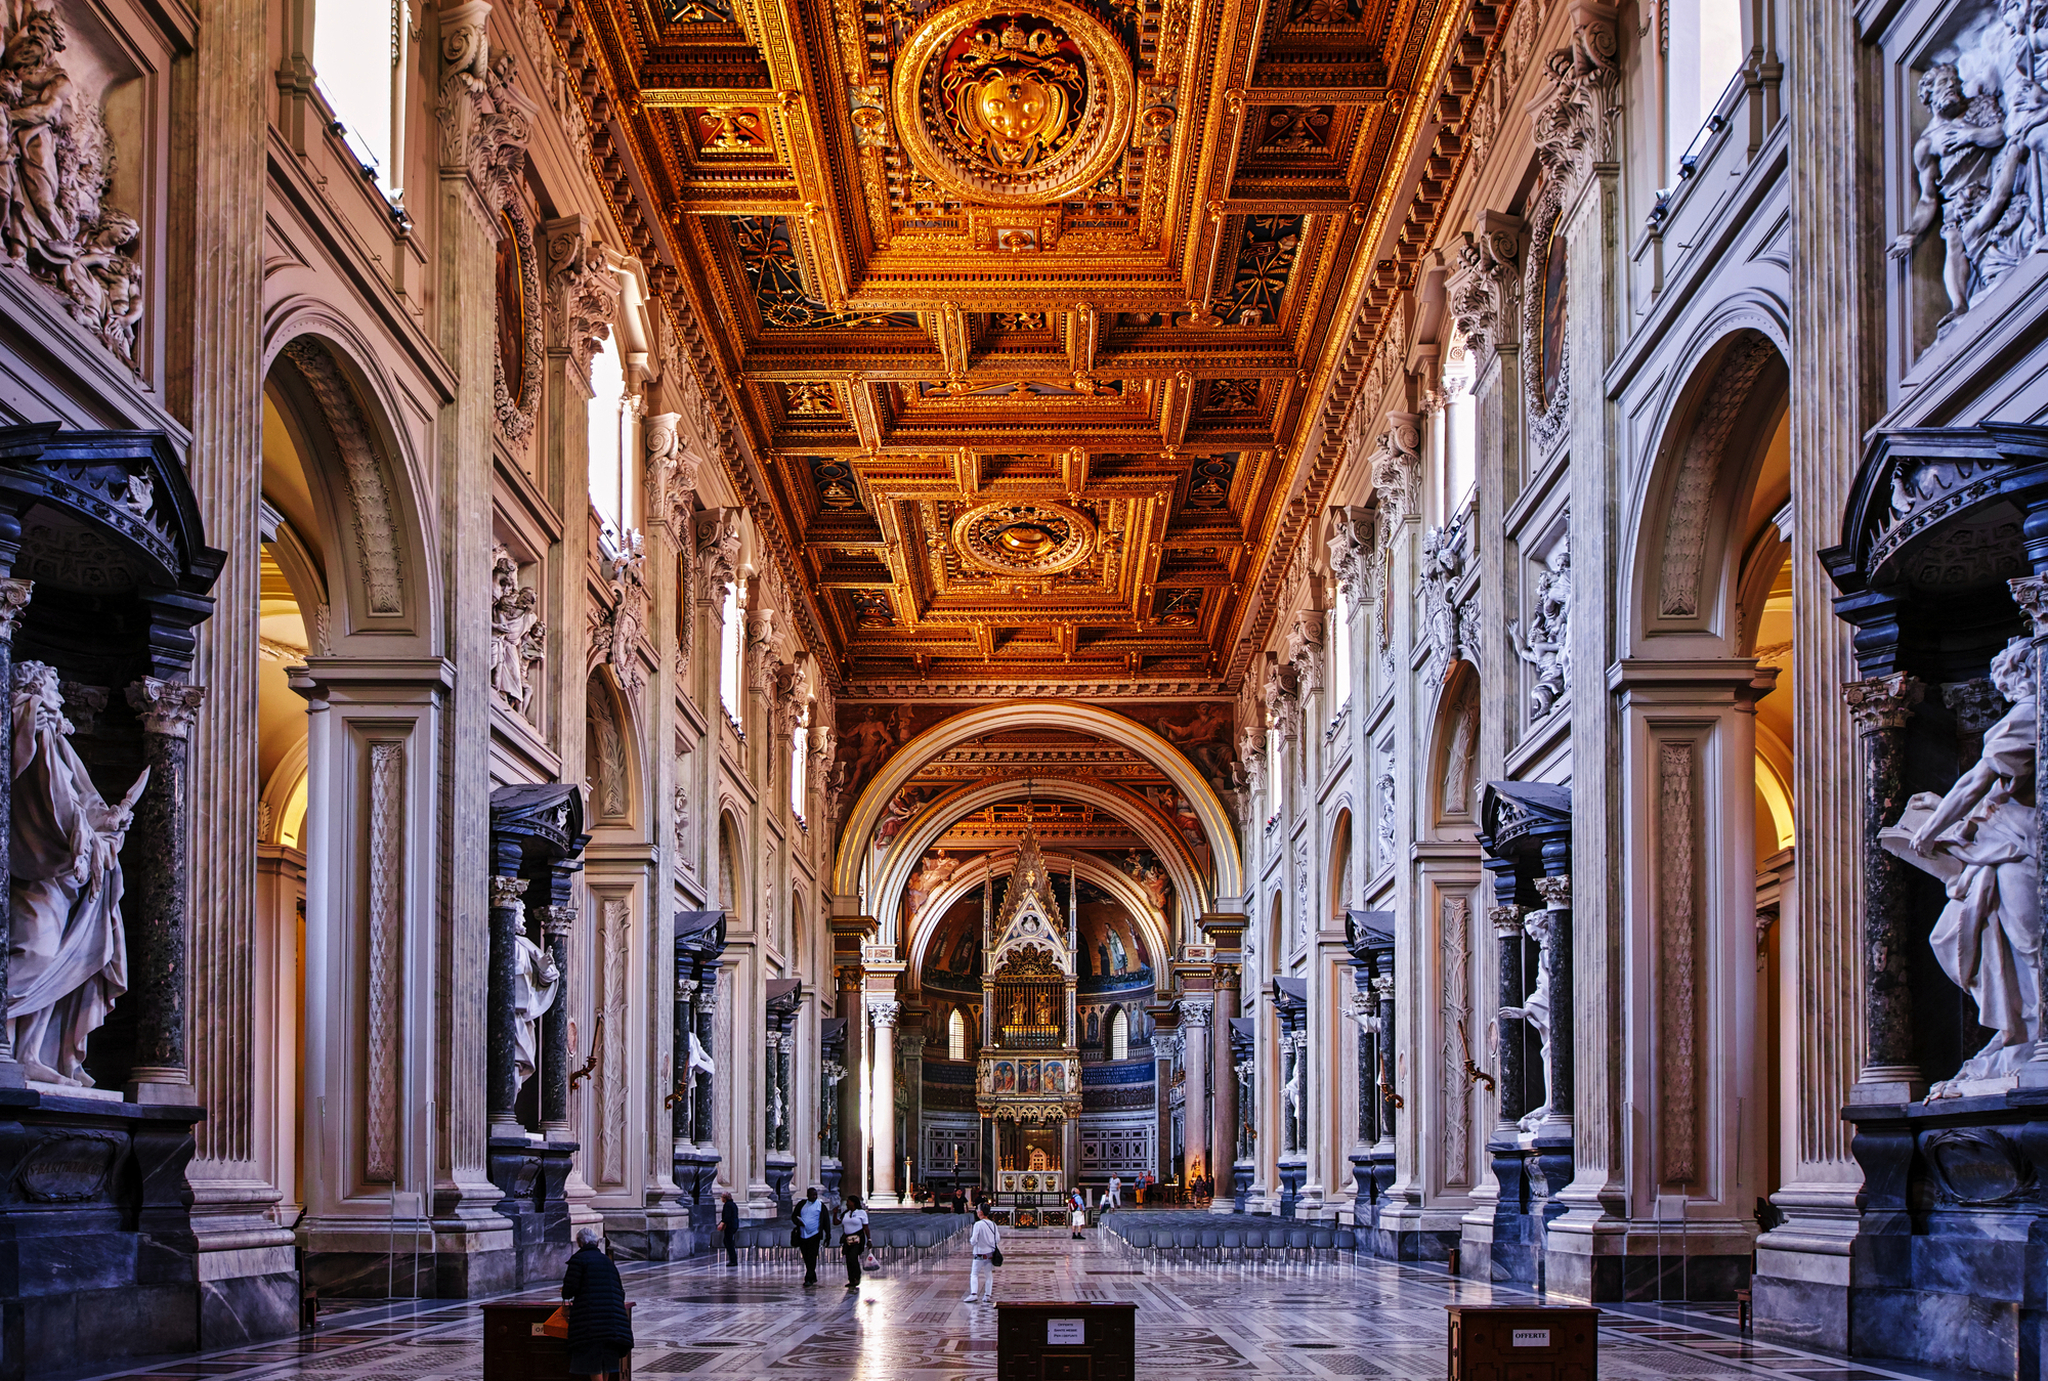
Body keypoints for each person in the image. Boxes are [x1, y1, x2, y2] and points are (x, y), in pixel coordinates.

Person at [562, 1226, 633, 1380]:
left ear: (580, 1243)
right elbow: (620, 1290)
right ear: (596, 1243)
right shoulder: (607, 1261)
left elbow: (569, 1290)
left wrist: (565, 1290)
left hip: (590, 1322)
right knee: (607, 1362)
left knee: (592, 1364)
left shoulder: (578, 1260)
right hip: (613, 1321)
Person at [964, 1203, 1000, 1305]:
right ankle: (987, 1295)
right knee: (988, 1274)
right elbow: (997, 1239)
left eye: (977, 1210)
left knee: (974, 1274)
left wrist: (974, 1242)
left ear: (981, 1212)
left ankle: (974, 1294)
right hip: (990, 1253)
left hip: (979, 1253)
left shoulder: (978, 1224)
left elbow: (973, 1240)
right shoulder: (993, 1224)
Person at [794, 1186, 825, 1286]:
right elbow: (794, 1216)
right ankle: (812, 1275)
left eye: (815, 1195)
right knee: (806, 1256)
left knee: (812, 1256)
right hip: (803, 1234)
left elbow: (825, 1221)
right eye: (812, 1195)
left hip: (814, 1234)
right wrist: (798, 1222)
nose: (814, 1196)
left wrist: (827, 1235)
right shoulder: (801, 1204)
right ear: (807, 1195)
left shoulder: (820, 1205)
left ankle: (808, 1278)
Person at [841, 1195, 870, 1289]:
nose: (846, 1203)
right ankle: (851, 1279)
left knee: (853, 1257)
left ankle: (857, 1276)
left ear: (853, 1203)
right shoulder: (846, 1213)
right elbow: (838, 1222)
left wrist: (869, 1239)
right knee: (848, 1258)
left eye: (848, 1202)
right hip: (848, 1239)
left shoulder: (861, 1213)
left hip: (858, 1239)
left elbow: (866, 1227)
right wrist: (835, 1213)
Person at [720, 1192, 739, 1268]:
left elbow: (727, 1216)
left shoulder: (727, 1205)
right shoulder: (733, 1204)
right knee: (728, 1241)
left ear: (725, 1198)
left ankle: (733, 1260)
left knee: (728, 1242)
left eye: (722, 1197)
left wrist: (722, 1223)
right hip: (733, 1225)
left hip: (730, 1226)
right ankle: (733, 1259)